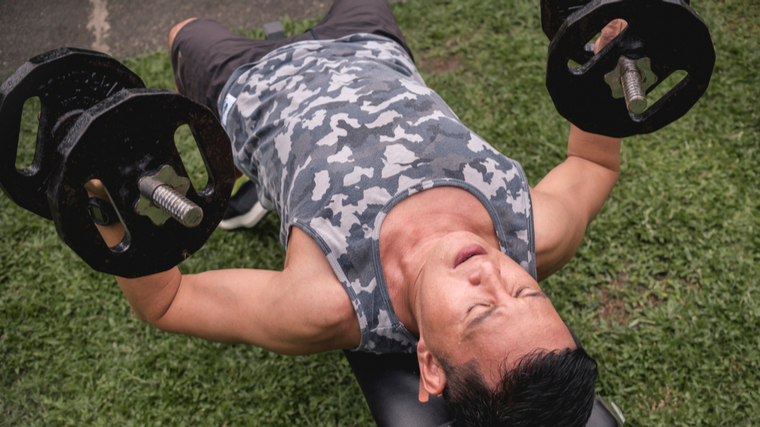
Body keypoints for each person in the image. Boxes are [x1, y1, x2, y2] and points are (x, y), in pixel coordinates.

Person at [88, 1, 625, 425]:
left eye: (480, 311)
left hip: (250, 85)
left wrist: (105, 202)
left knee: (183, 29)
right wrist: (608, 57)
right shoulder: (536, 234)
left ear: (430, 364)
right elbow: (592, 163)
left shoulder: (327, 304)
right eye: (527, 291)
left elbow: (168, 301)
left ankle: (230, 178)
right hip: (372, 48)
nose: (494, 272)